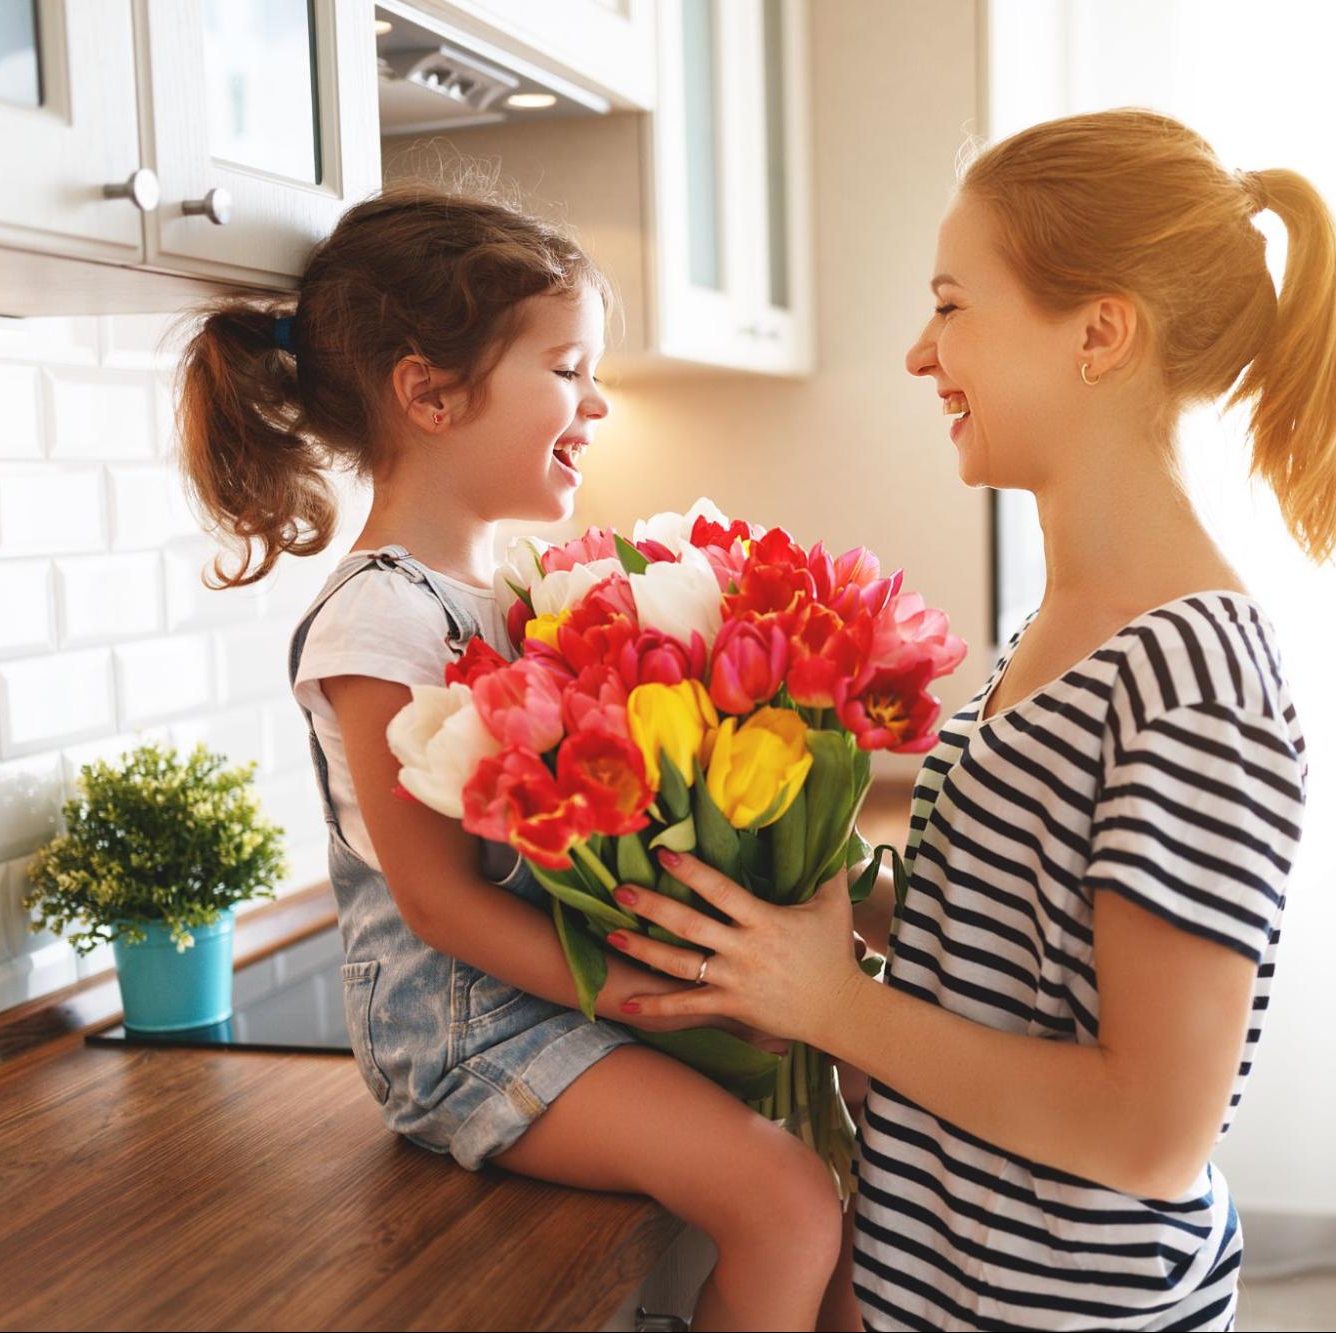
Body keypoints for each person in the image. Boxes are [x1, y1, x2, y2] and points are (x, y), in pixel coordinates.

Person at [608, 107, 1336, 1331]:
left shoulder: (1196, 677)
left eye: (952, 306)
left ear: (1098, 334)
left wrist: (834, 1003)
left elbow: (1150, 1132)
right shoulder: (1059, 629)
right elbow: (1031, 949)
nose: (917, 353)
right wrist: (829, 901)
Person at [175, 179, 844, 1331]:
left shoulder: (515, 598)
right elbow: (439, 906)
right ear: (430, 393)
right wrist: (657, 1001)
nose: (595, 403)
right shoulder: (379, 620)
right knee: (783, 1199)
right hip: (462, 1031)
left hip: (562, 1004)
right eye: (566, 368)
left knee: (832, 1159)